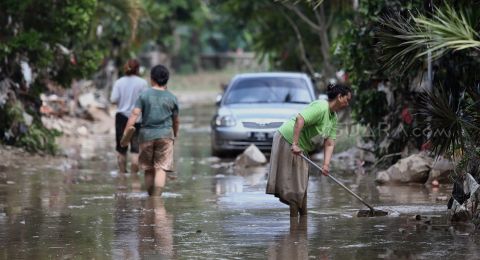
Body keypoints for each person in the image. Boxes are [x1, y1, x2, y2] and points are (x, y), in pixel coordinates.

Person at [266, 83, 352, 217]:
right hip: (288, 140)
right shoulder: (321, 107)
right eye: (347, 100)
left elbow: (329, 143)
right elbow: (300, 119)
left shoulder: (333, 118)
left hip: (301, 147)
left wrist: (326, 165)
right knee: (295, 185)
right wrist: (294, 144)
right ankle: (296, 226)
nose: (347, 104)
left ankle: (303, 221)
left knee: (302, 185)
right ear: (340, 97)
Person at [124, 64, 179, 196]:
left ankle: (150, 196)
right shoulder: (172, 97)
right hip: (165, 136)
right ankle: (157, 199)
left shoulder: (144, 95)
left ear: (152, 79)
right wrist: (175, 134)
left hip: (146, 135)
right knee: (161, 168)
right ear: (166, 80)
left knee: (148, 169)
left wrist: (126, 134)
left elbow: (134, 115)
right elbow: (176, 120)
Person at [110, 59, 148, 174]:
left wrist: (123, 103)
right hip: (137, 119)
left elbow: (113, 100)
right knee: (135, 150)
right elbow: (146, 101)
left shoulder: (119, 82)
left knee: (121, 150)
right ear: (137, 69)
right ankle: (134, 177)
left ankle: (122, 176)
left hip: (121, 118)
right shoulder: (142, 83)